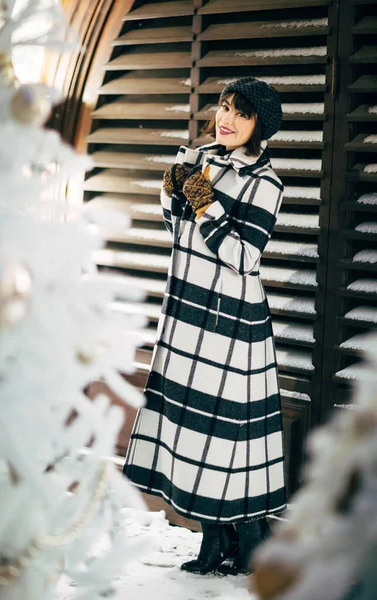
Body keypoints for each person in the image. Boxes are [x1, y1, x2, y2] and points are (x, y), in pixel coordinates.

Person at [123, 77, 286, 576]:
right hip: (187, 314)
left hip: (231, 324)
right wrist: (173, 192)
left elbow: (243, 255)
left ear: (260, 125)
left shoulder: (267, 183)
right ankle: (215, 538)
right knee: (193, 431)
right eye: (223, 106)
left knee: (228, 436)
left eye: (240, 112)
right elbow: (177, 231)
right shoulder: (203, 159)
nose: (226, 118)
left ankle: (251, 536)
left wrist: (203, 201)